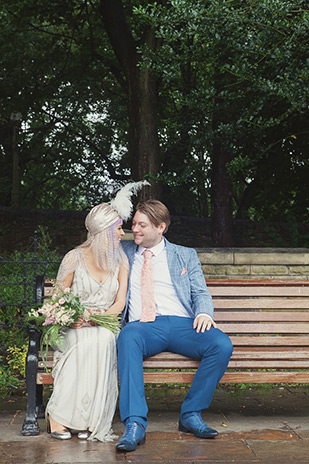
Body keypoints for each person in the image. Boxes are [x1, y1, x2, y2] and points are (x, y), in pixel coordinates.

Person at [116, 200, 233, 451]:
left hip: (182, 324)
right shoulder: (122, 251)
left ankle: (191, 414)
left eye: (141, 225)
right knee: (127, 338)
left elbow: (200, 291)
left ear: (161, 227)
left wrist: (203, 313)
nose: (134, 229)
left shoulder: (185, 254)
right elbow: (95, 244)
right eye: (133, 223)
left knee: (221, 344)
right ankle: (134, 423)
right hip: (143, 326)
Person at [45, 181, 148, 442]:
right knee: (82, 343)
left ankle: (88, 418)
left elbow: (120, 303)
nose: (121, 234)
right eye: (117, 229)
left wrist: (96, 318)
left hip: (104, 323)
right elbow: (58, 297)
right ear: (102, 232)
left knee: (103, 340)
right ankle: (58, 416)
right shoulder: (74, 258)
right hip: (74, 325)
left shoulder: (121, 260)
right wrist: (73, 317)